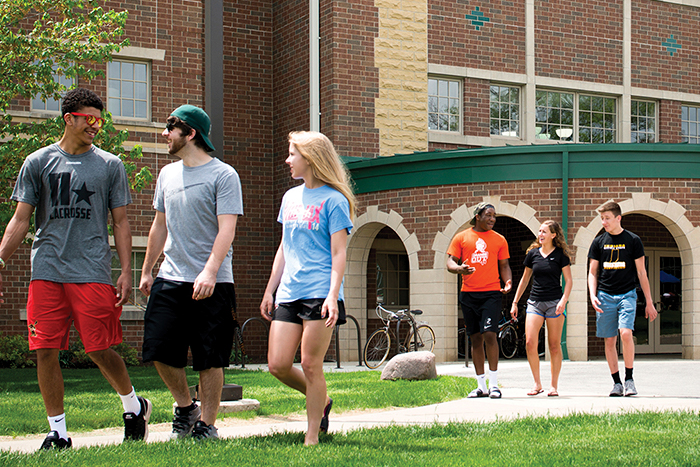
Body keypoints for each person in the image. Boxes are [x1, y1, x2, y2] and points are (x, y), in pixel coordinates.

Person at [0, 88, 150, 450]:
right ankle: (58, 432)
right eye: (89, 119)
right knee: (45, 349)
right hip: (47, 268)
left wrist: (126, 269)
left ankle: (134, 406)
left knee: (99, 348)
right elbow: (21, 219)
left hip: (91, 269)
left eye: (100, 119)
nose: (96, 126)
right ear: (69, 119)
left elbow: (121, 222)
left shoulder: (110, 165)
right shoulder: (38, 162)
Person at [139, 105, 243, 440]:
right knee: (158, 347)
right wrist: (147, 270)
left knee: (209, 356)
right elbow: (159, 225)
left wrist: (210, 271)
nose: (164, 133)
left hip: (213, 281)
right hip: (172, 276)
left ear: (191, 133)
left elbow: (227, 229)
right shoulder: (167, 175)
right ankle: (186, 408)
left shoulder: (223, 175)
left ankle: (207, 425)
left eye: (170, 127)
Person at [260, 131, 355, 445]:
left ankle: (312, 435)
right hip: (289, 291)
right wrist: (270, 290)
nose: (288, 160)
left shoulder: (334, 200)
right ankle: (322, 399)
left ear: (310, 159)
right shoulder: (290, 198)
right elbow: (285, 247)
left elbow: (339, 252)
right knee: (278, 364)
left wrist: (332, 294)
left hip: (319, 291)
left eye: (292, 154)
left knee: (311, 364)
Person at [588, 201, 657, 397]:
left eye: (607, 218)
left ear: (618, 218)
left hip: (627, 293)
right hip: (604, 295)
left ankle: (629, 379)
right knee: (610, 340)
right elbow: (592, 272)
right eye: (602, 218)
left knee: (625, 333)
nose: (604, 222)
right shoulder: (598, 242)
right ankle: (616, 383)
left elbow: (642, 273)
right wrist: (592, 295)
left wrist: (649, 302)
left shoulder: (633, 240)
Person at [447, 202, 512, 399]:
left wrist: (507, 281)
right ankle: (481, 385)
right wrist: (460, 269)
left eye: (494, 216)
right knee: (475, 338)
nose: (492, 219)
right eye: (488, 215)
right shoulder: (461, 237)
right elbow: (450, 262)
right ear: (478, 216)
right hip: (468, 294)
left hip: (491, 293)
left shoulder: (500, 240)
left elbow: (505, 265)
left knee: (490, 335)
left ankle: (494, 385)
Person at [510, 220, 572, 397]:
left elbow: (569, 281)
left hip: (554, 303)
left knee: (553, 345)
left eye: (545, 231)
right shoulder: (533, 254)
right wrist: (515, 302)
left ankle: (554, 386)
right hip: (535, 303)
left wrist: (563, 301)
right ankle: (537, 384)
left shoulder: (561, 255)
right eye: (540, 231)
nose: (541, 234)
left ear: (553, 235)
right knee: (530, 342)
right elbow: (524, 280)